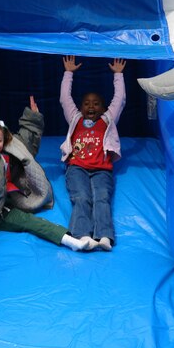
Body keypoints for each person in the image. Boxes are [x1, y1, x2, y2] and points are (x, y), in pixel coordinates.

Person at [0, 88, 92, 275]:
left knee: (33, 223)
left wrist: (33, 119)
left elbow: (24, 145)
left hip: (3, 209)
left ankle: (71, 241)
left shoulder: (7, 156)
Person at [59, 55, 127, 251]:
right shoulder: (75, 119)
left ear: (104, 108)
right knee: (81, 197)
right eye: (87, 103)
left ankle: (104, 236)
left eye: (96, 103)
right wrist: (68, 73)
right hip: (77, 167)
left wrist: (118, 75)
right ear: (80, 108)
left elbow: (119, 100)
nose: (91, 106)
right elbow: (65, 99)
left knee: (102, 198)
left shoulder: (107, 120)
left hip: (101, 169)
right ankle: (82, 235)